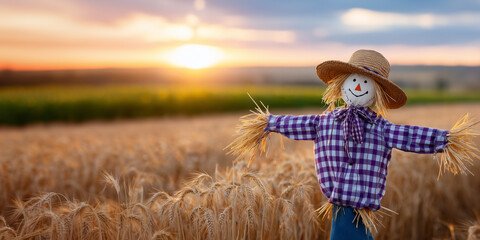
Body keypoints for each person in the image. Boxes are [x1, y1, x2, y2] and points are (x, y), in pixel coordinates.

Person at [228, 49, 479, 240]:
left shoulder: (381, 129)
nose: (358, 86)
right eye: (354, 81)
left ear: (377, 93)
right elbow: (296, 123)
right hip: (338, 202)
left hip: (359, 204)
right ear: (342, 84)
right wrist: (269, 123)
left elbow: (410, 136)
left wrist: (445, 140)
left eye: (366, 83)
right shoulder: (324, 123)